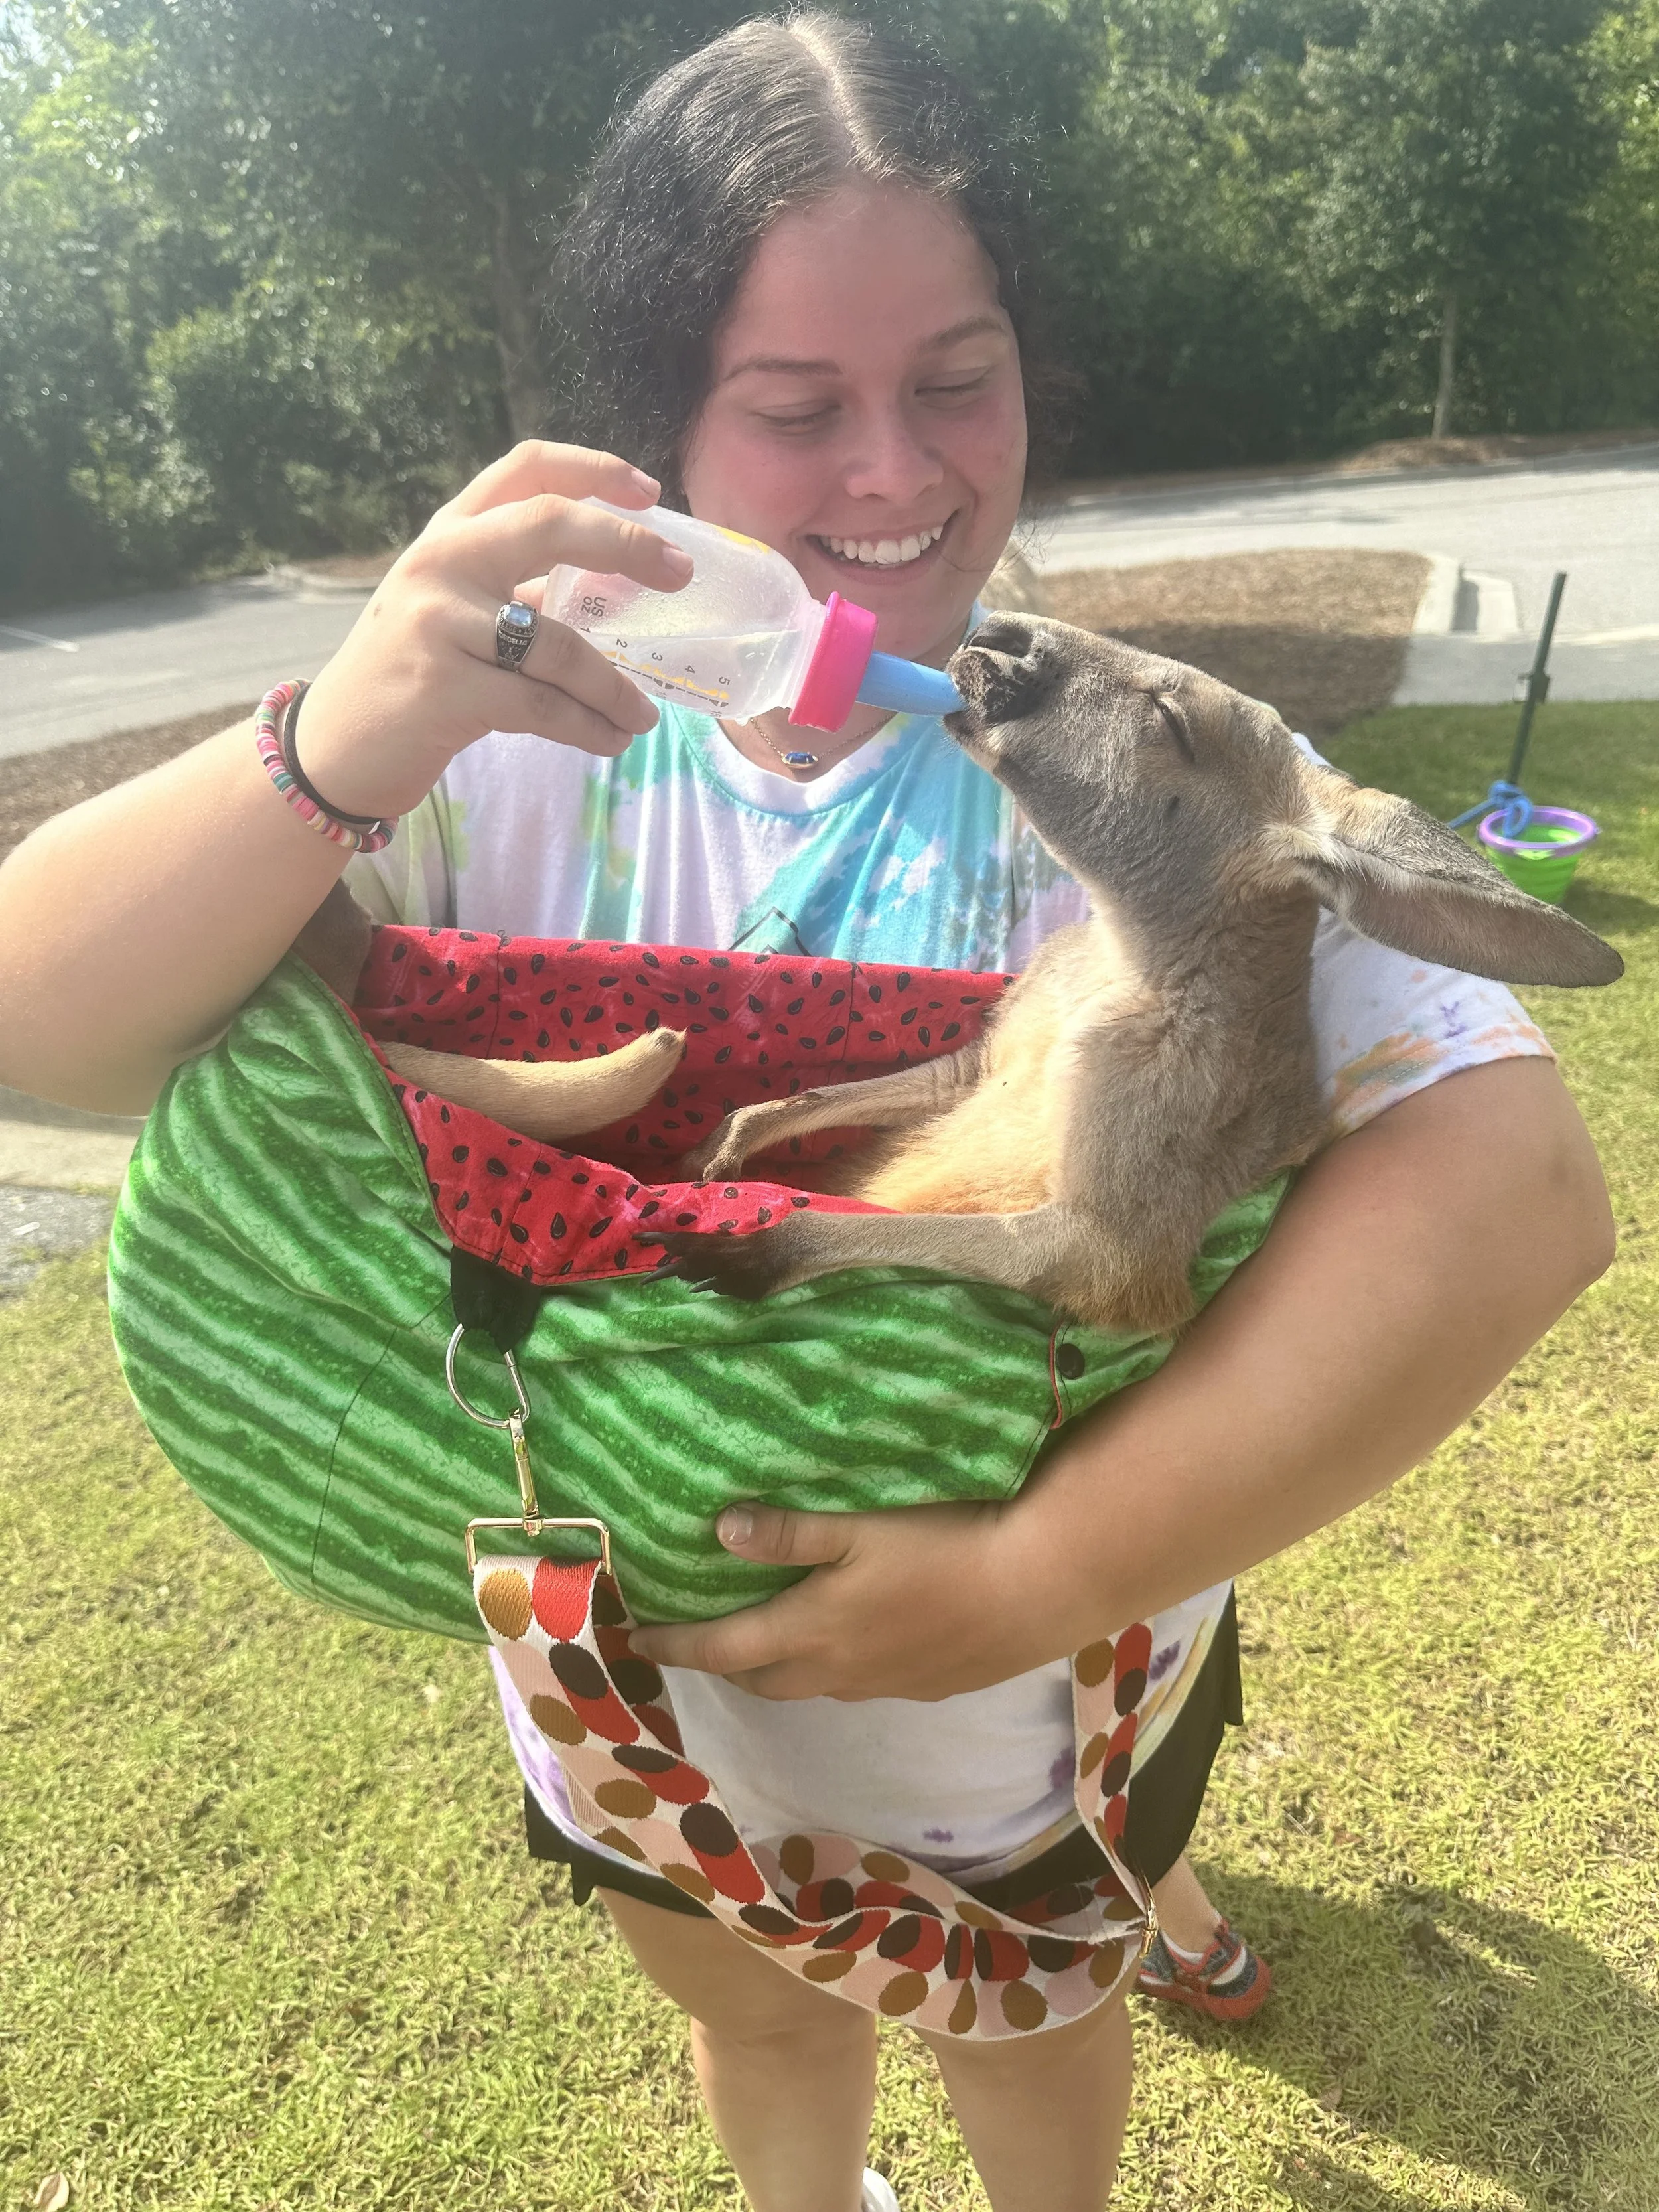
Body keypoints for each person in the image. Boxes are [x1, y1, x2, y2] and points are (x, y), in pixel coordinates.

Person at [0, 16, 1612, 2211]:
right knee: (748, 2014)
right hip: (634, 1696)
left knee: (1029, 2033)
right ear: (651, 423)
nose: (895, 475)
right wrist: (343, 726)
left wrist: (1035, 1571)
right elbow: (43, 1025)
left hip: (1024, 1707)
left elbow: (1515, 1199)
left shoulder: (1148, 762)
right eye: (792, 408)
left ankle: (1157, 1911)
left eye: (958, 375)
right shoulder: (520, 728)